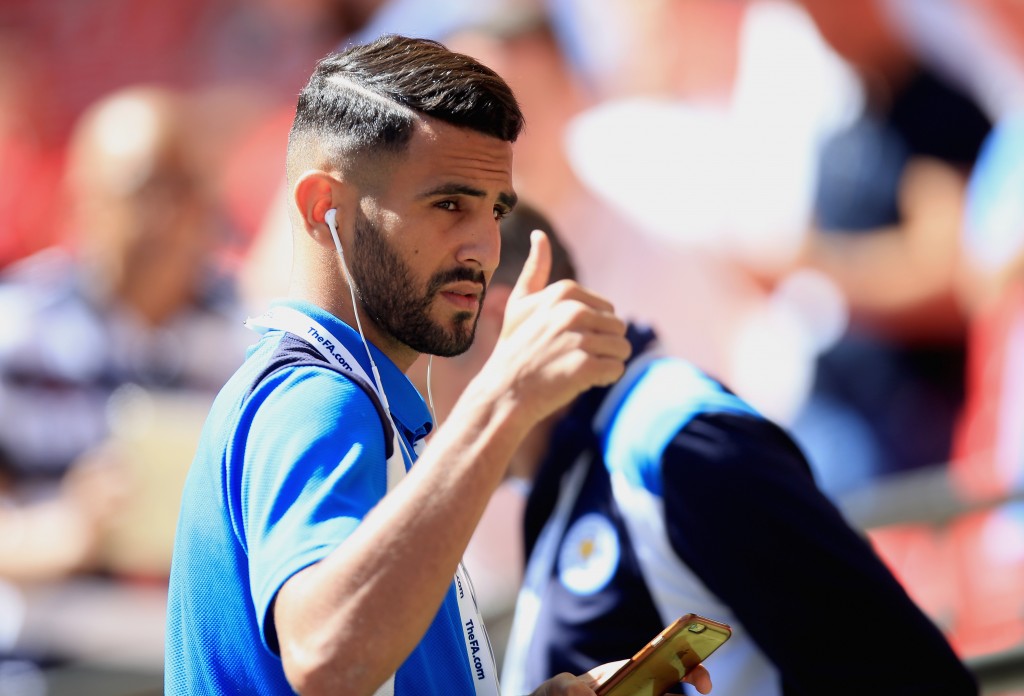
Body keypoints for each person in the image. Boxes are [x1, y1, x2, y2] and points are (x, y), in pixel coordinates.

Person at [164, 35, 711, 696]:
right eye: (450, 204)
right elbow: (330, 658)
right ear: (322, 208)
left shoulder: (367, 402)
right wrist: (505, 396)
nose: (483, 245)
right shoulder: (316, 399)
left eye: (497, 209)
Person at [415, 202, 979, 695]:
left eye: (412, 339)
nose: (397, 375)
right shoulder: (579, 467)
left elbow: (914, 679)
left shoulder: (675, 443)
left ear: (494, 319)